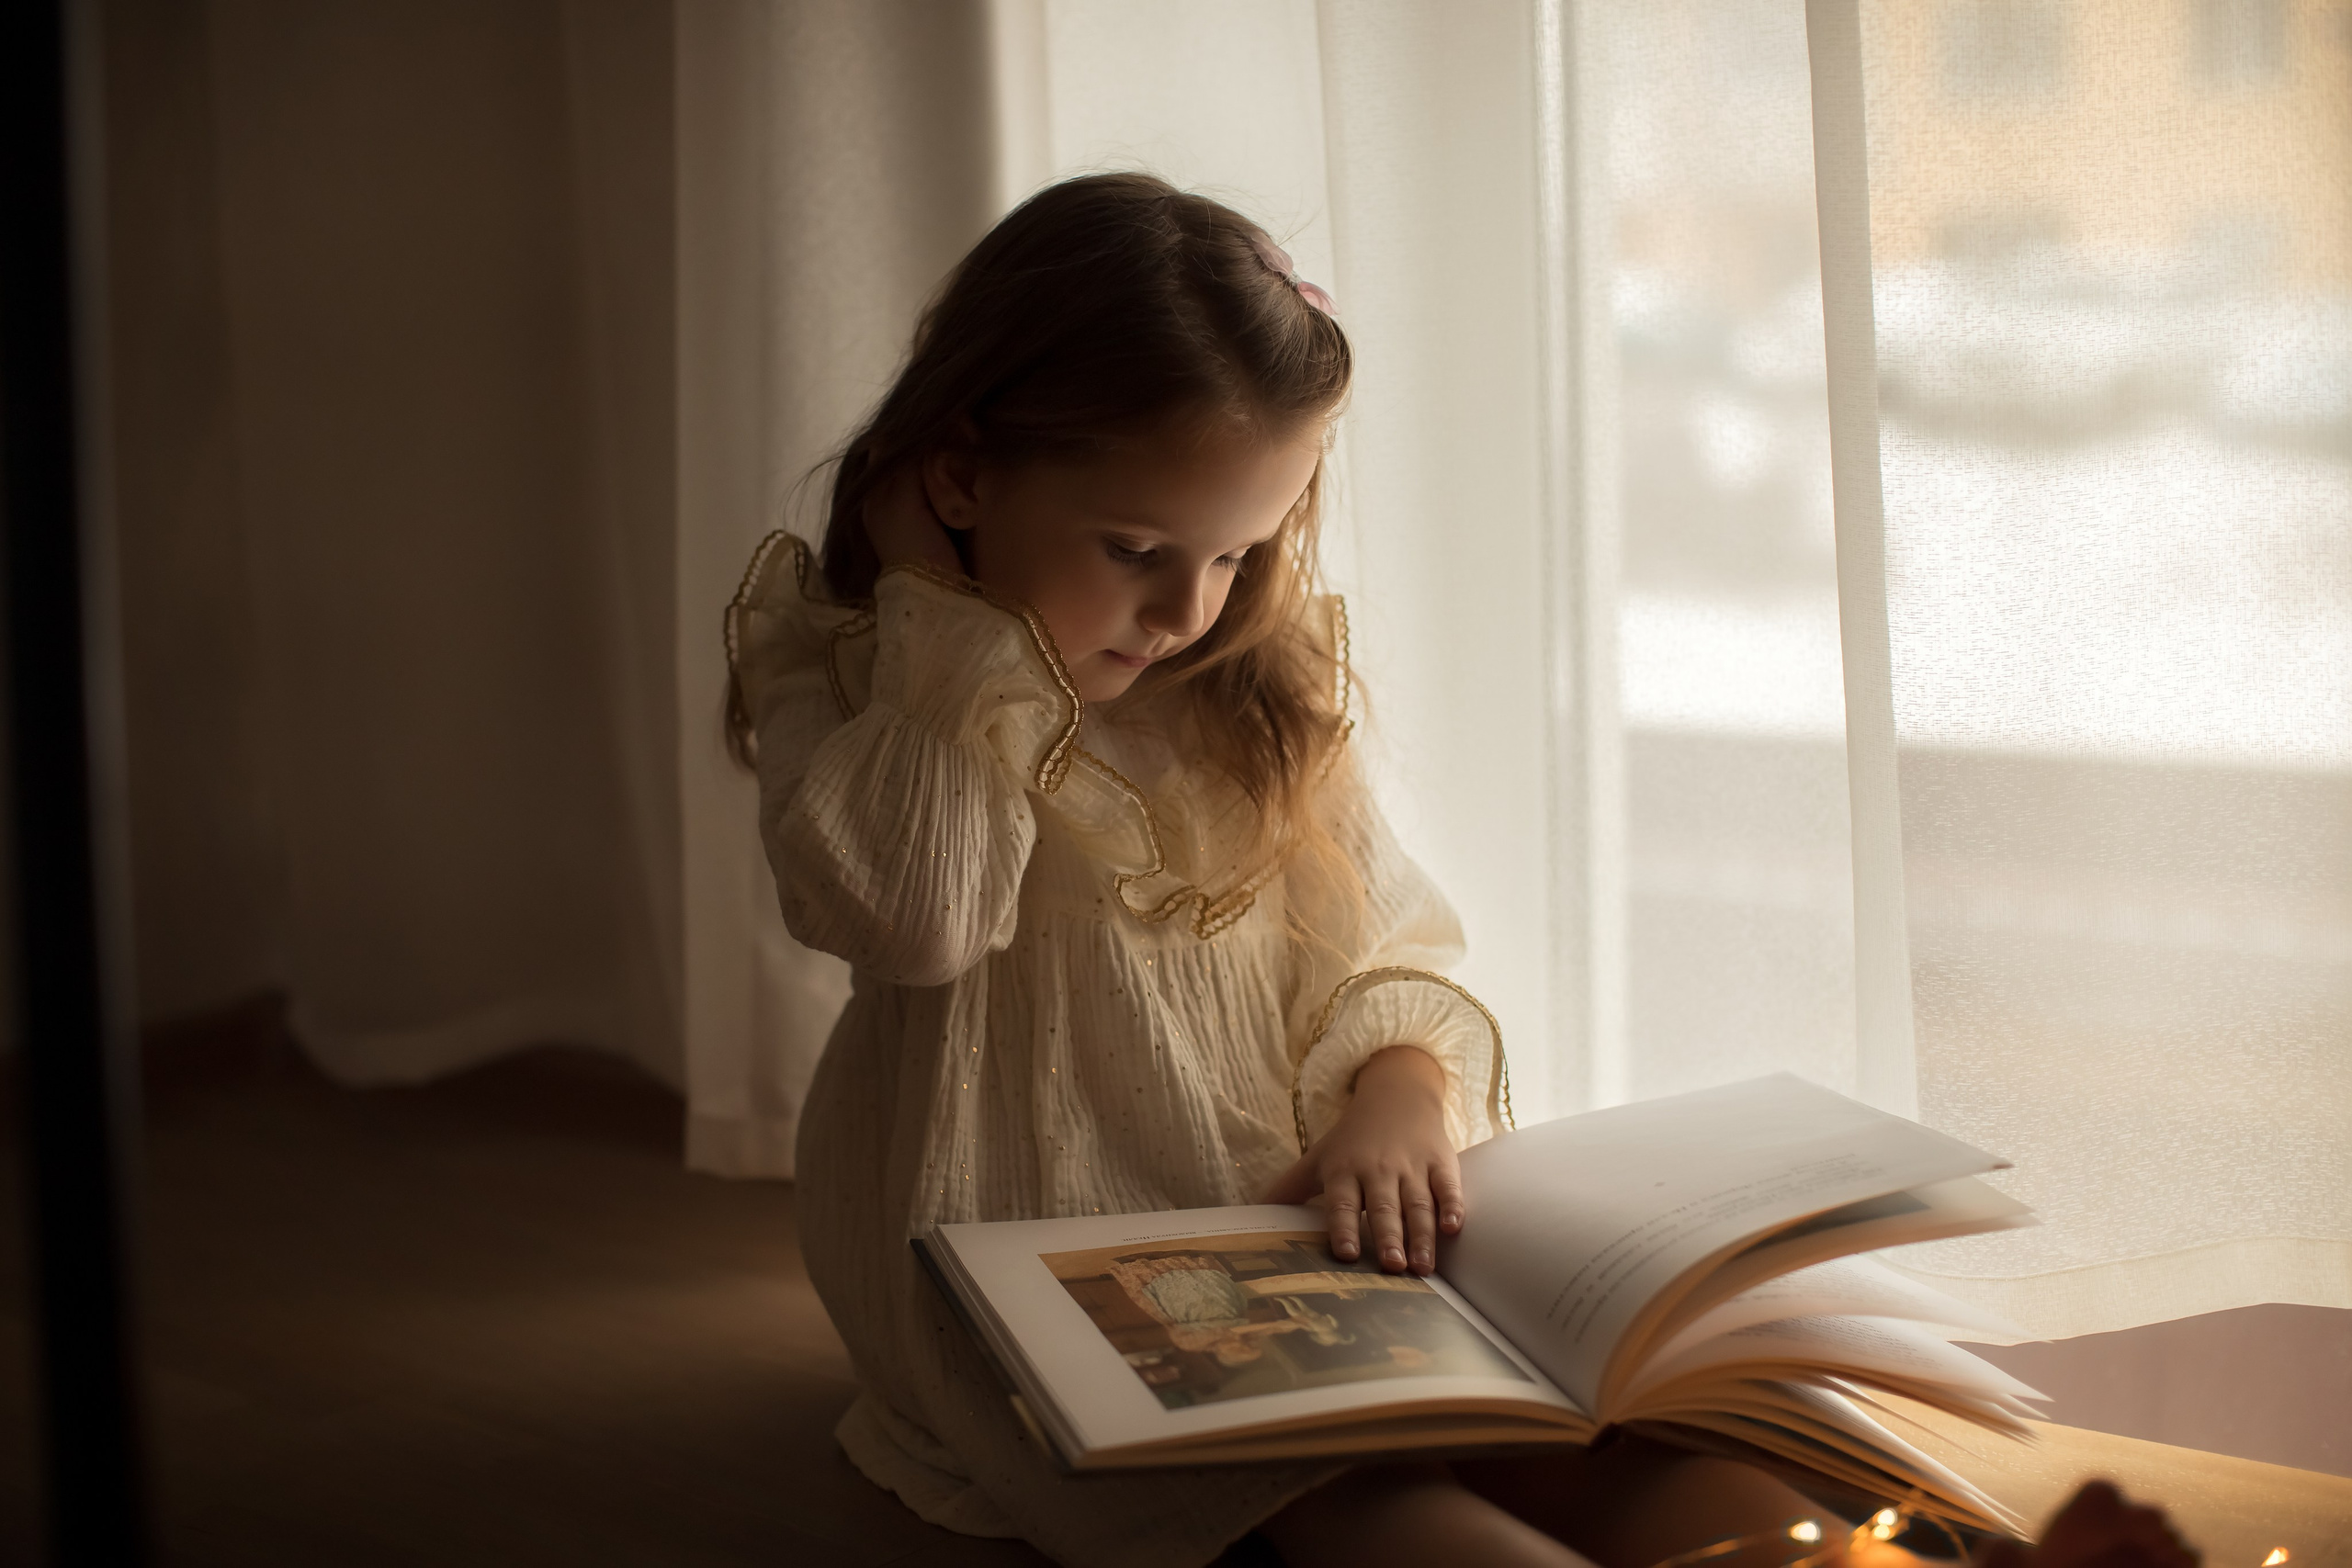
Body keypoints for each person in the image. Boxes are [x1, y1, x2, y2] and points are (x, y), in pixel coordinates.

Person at [727, 173, 2195, 1568]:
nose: (1187, 610)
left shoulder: (1244, 693)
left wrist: (1400, 1093)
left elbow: (1390, 952)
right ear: (963, 475)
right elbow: (918, 919)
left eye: (1236, 555)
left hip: (1307, 1233)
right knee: (1360, 1502)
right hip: (1033, 1279)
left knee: (1609, 1445)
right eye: (1136, 548)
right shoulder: (857, 676)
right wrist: (947, 635)